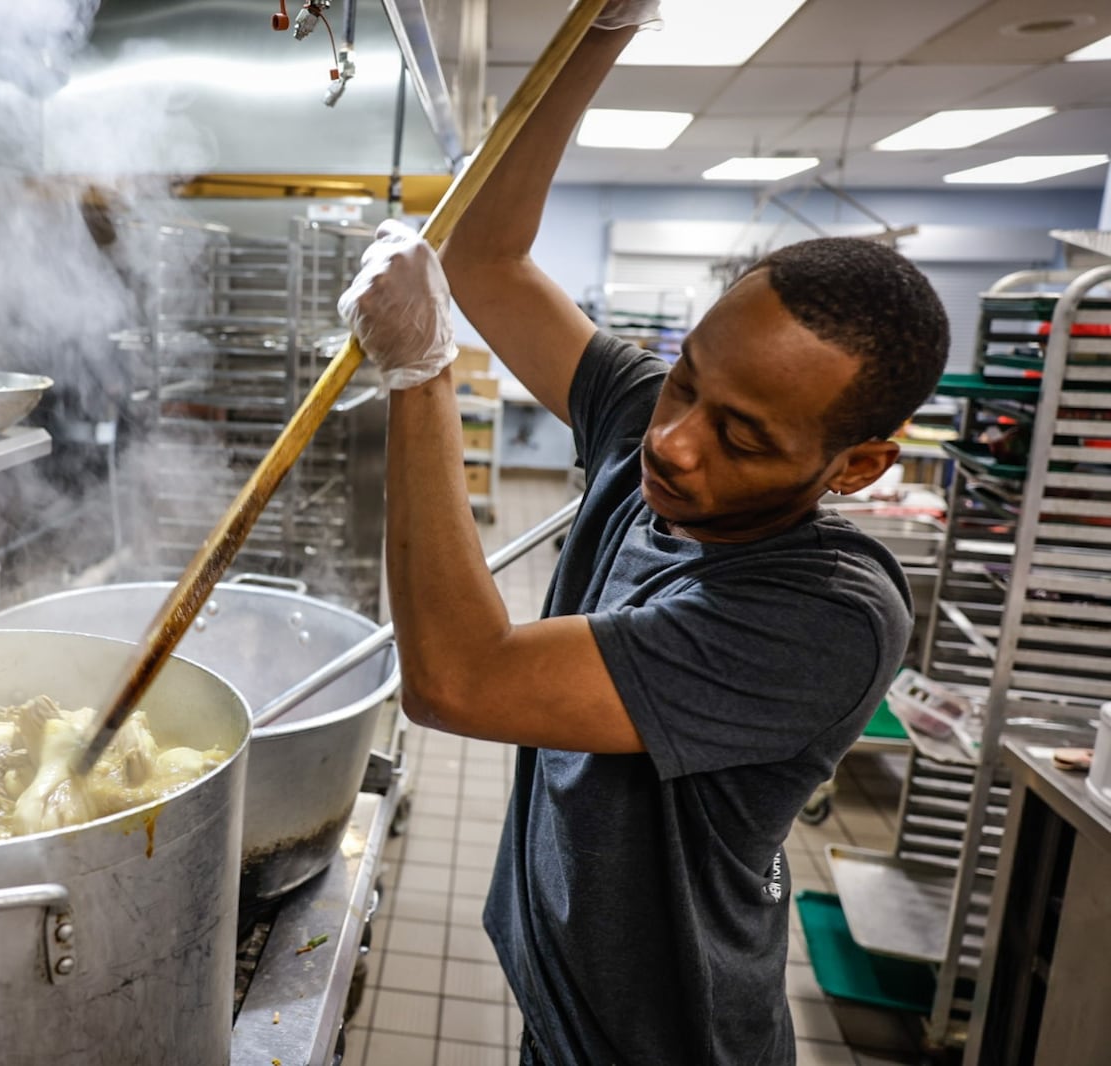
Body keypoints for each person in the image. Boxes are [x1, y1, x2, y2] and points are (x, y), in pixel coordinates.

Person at [336, 5, 951, 1065]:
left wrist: (420, 373)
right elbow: (487, 261)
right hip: (563, 1014)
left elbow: (458, 678)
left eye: (742, 438)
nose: (671, 442)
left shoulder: (827, 616)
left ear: (856, 466)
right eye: (682, 379)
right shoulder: (649, 426)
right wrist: (600, 32)